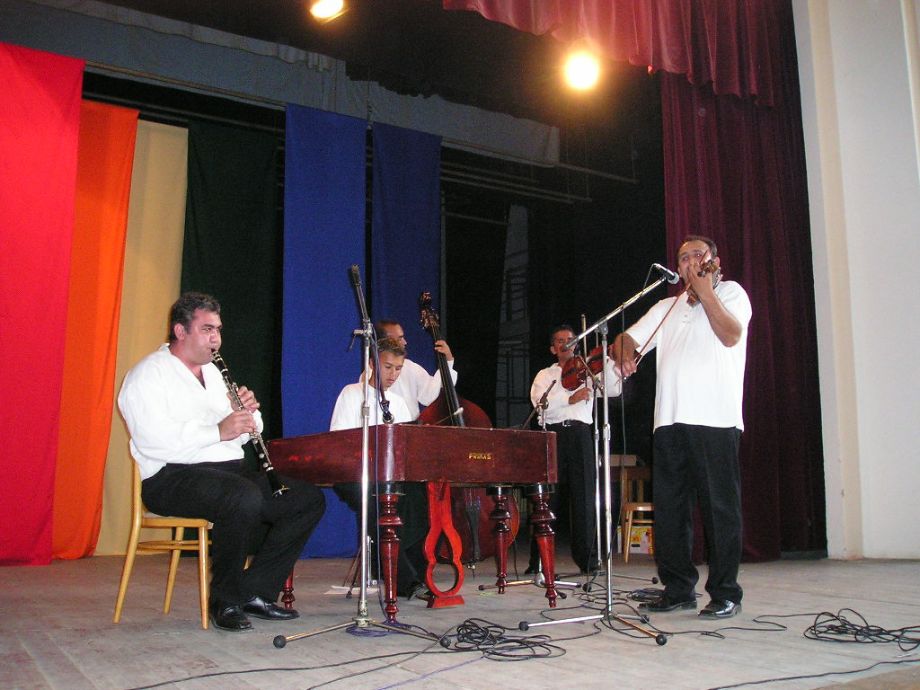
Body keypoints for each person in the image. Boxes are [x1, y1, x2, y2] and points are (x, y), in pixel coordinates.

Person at [117, 292, 326, 632]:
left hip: (228, 471)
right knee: (242, 497)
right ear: (180, 331)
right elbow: (154, 441)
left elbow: (242, 435)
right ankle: (224, 601)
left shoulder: (214, 374)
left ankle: (253, 591)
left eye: (218, 330)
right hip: (171, 477)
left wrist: (247, 415)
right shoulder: (147, 375)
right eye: (207, 329)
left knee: (305, 500)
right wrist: (218, 430)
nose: (215, 338)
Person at [610, 235, 751, 619]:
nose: (689, 260)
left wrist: (706, 293)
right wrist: (624, 354)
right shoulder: (666, 307)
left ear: (714, 261)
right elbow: (626, 338)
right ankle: (678, 589)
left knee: (720, 509)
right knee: (671, 512)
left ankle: (725, 593)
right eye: (683, 256)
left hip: (715, 419)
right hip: (668, 422)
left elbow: (731, 334)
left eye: (697, 254)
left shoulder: (732, 294)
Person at [331, 337, 428, 599]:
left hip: (389, 476)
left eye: (398, 368)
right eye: (388, 367)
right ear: (373, 364)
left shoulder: (398, 402)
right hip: (354, 475)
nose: (393, 374)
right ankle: (405, 580)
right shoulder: (352, 393)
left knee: (417, 497)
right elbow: (339, 441)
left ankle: (416, 574)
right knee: (378, 504)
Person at [530, 324, 622, 574]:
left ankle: (588, 559)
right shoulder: (545, 375)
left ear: (577, 344)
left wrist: (609, 360)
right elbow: (540, 406)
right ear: (553, 348)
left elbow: (614, 390)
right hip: (553, 435)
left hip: (581, 435)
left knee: (585, 498)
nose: (566, 344)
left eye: (570, 339)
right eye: (560, 340)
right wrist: (569, 399)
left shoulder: (588, 371)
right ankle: (539, 560)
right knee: (548, 498)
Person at [365, 319, 456, 421]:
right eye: (400, 338)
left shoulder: (409, 366)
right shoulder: (369, 374)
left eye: (398, 368)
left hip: (410, 427)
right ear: (386, 341)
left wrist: (448, 361)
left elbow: (429, 395)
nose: (405, 342)